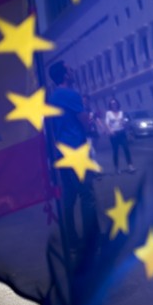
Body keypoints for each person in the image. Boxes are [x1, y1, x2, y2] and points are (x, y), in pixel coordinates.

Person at [48, 61, 101, 253]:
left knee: (69, 197)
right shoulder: (71, 94)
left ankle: (71, 240)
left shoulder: (52, 97)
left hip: (61, 151)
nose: (73, 70)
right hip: (76, 149)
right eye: (70, 69)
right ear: (65, 75)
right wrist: (91, 129)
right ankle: (91, 240)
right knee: (87, 195)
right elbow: (84, 120)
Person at [105, 99, 135, 175]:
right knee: (115, 151)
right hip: (114, 134)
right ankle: (117, 167)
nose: (113, 105)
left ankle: (130, 165)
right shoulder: (108, 113)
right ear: (110, 105)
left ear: (117, 104)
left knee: (126, 148)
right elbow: (107, 123)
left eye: (115, 103)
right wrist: (110, 130)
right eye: (112, 103)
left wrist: (125, 123)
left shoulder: (121, 112)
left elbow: (125, 121)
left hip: (122, 132)